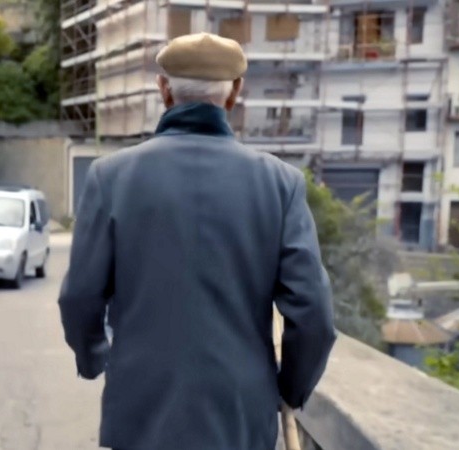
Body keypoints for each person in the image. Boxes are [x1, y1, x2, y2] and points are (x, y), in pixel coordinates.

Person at [58, 32, 337, 450]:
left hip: (140, 408)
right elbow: (313, 314)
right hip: (240, 414)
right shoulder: (281, 184)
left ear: (163, 88)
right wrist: (290, 389)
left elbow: (80, 297)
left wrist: (94, 357)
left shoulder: (110, 177)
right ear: (235, 93)